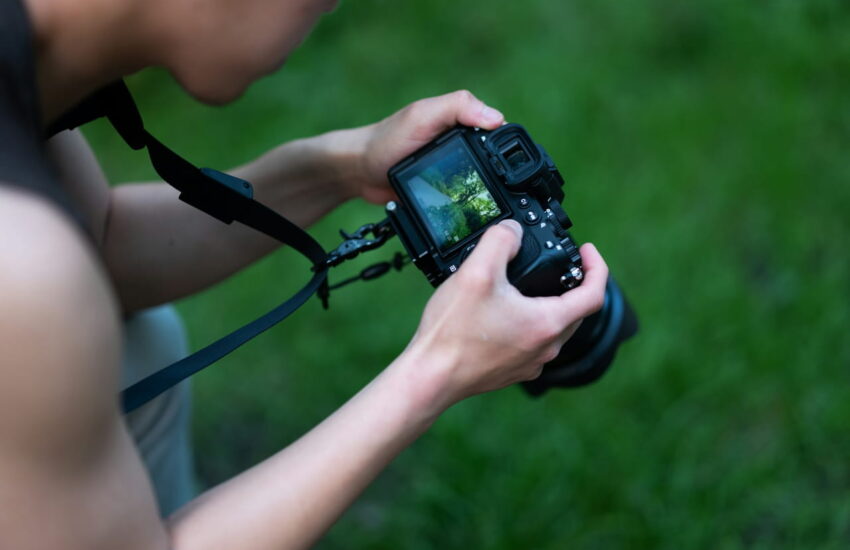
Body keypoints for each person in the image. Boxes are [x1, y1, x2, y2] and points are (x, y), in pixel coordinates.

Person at [0, 0, 609, 548]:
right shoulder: (22, 267)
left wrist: (345, 166)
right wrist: (436, 371)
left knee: (137, 340)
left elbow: (102, 240)